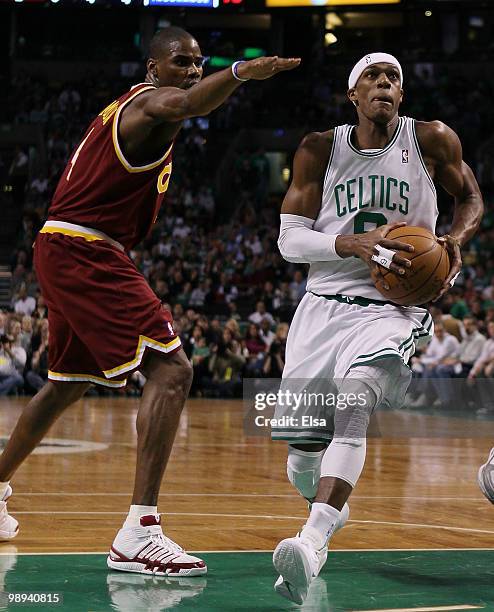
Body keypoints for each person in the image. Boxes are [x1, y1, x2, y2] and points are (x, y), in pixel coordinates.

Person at [0, 26, 300, 571]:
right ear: (152, 69)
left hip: (65, 243)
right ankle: (140, 530)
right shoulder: (152, 103)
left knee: (68, 384)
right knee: (174, 372)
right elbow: (187, 102)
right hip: (86, 248)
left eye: (199, 62)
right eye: (181, 62)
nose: (191, 70)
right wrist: (237, 73)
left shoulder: (125, 114)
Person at [272, 52, 483, 604]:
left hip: (391, 309)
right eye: (373, 76)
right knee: (300, 455)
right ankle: (330, 509)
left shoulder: (431, 139)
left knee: (355, 403)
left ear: (401, 95)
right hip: (321, 306)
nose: (384, 84)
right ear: (353, 94)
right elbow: (290, 241)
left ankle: (312, 540)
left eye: (393, 78)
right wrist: (352, 243)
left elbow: (472, 196)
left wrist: (455, 239)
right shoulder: (320, 148)